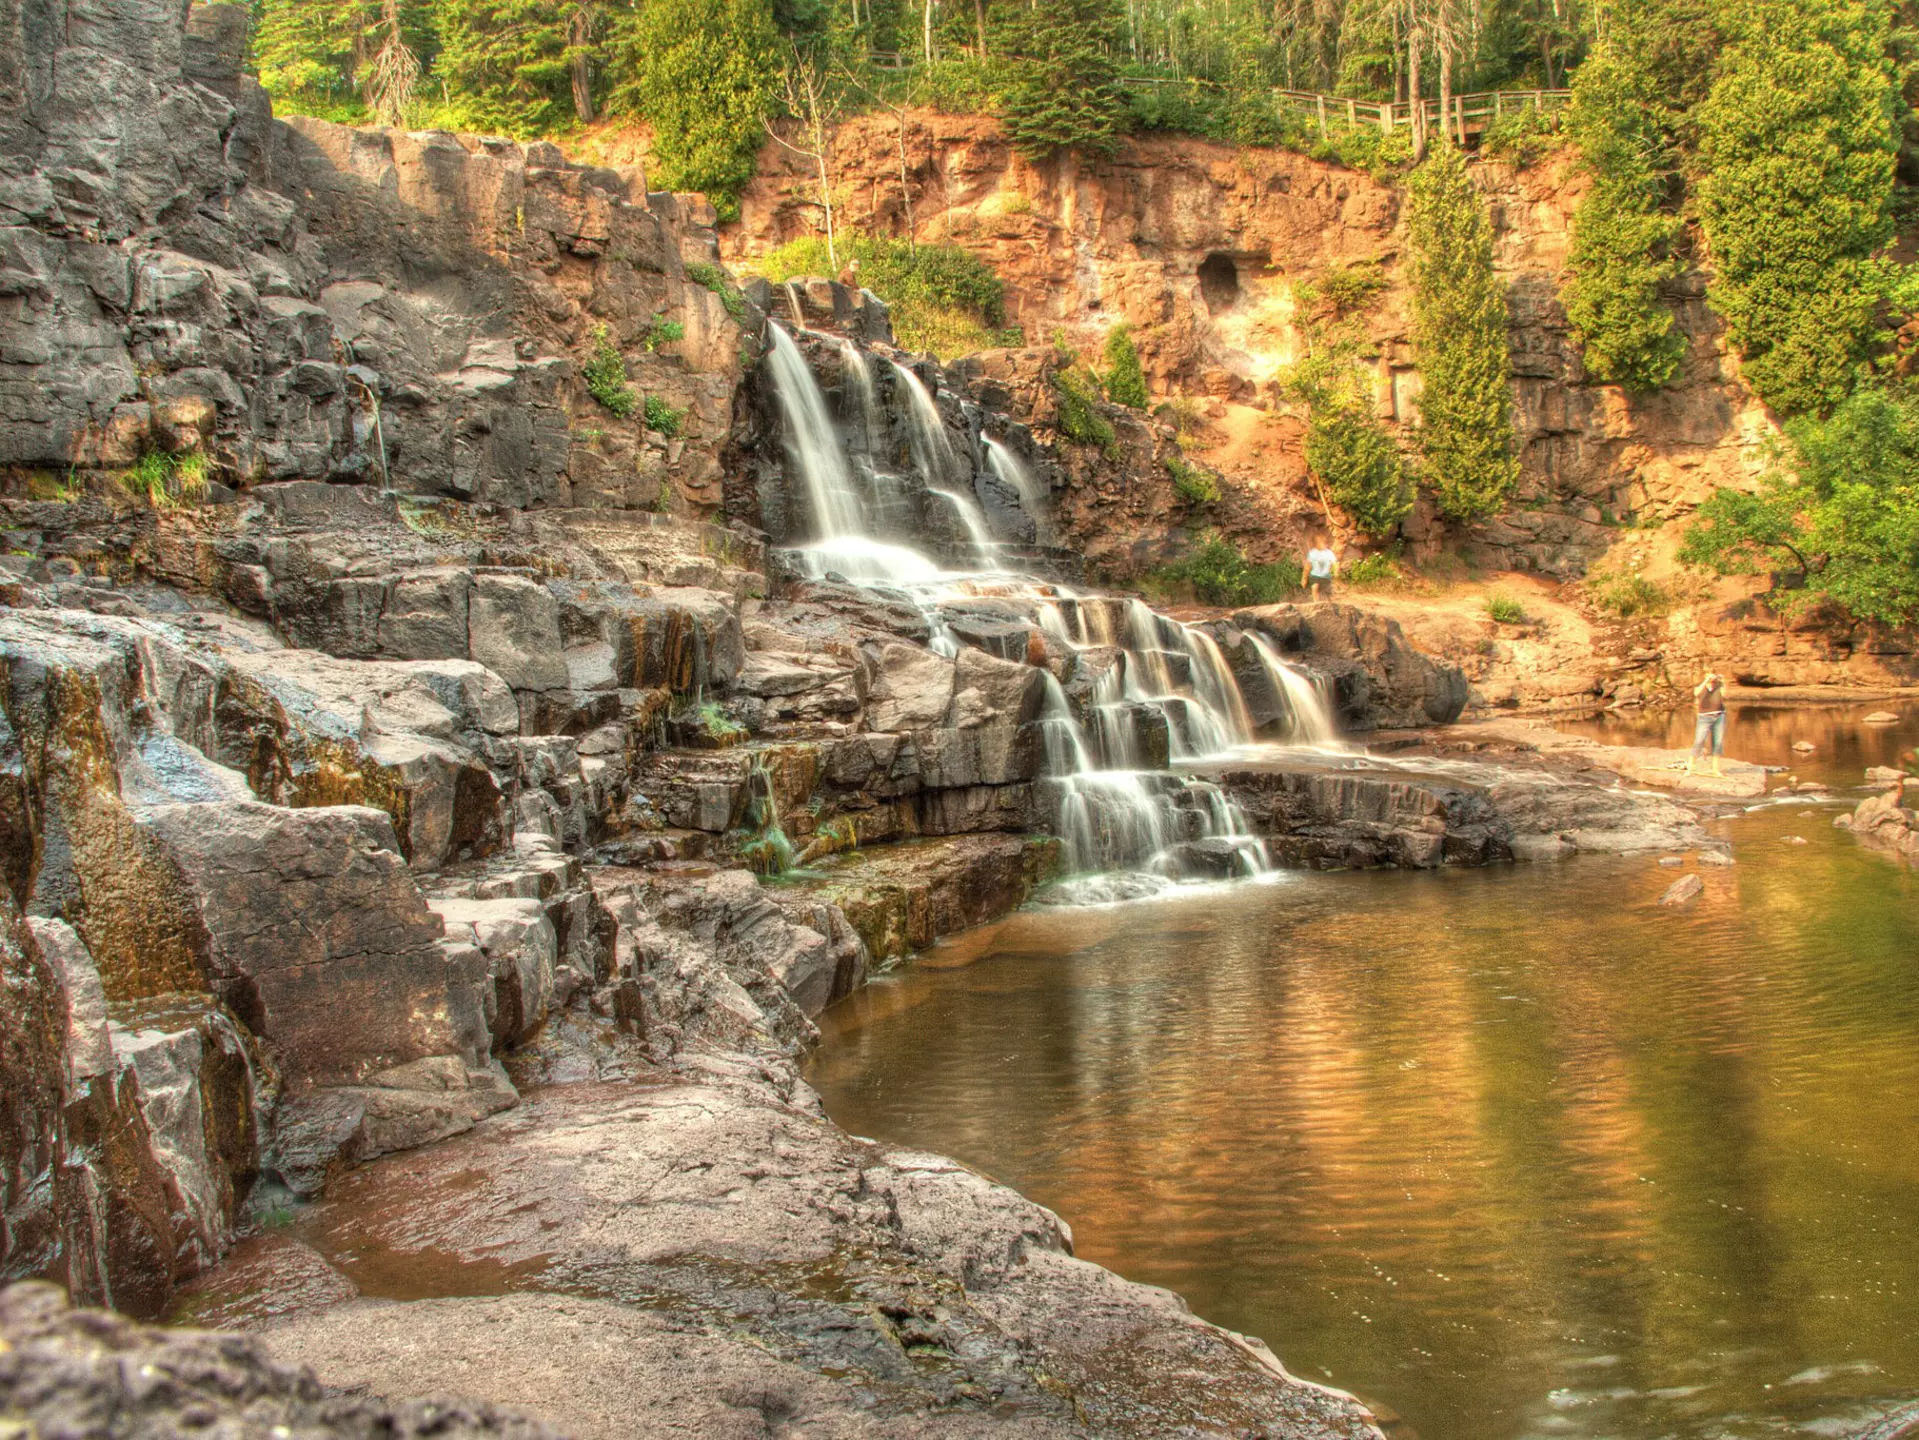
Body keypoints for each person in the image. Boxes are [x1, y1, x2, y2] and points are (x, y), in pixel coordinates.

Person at [1687, 669, 1727, 776]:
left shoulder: (1719, 686)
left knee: (1717, 743)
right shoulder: (1701, 687)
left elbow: (1725, 695)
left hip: (1719, 716)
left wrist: (1723, 682)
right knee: (1699, 741)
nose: (1712, 678)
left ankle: (1715, 769)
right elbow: (1696, 693)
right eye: (1710, 675)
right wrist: (1706, 680)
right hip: (1704, 717)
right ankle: (1691, 767)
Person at [1303, 532, 1338, 600]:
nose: (1326, 544)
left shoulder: (1329, 553)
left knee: (1324, 589)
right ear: (1316, 544)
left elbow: (1335, 562)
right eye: (1323, 543)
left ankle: (1326, 599)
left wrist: (1336, 570)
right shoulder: (1312, 553)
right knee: (1315, 587)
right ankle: (1316, 602)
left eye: (1326, 542)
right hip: (1315, 575)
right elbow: (1307, 566)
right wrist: (1304, 578)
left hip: (1325, 575)